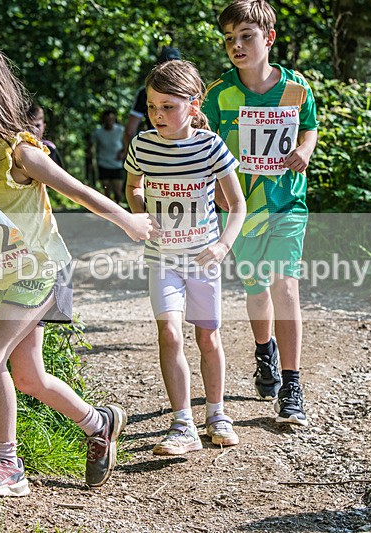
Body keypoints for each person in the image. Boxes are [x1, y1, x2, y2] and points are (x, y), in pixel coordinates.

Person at [0, 43, 155, 496]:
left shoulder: (20, 154)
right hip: (12, 275)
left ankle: (8, 469)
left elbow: (80, 192)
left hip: (43, 272)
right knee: (29, 376)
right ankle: (100, 423)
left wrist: (129, 220)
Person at [202, 0, 319, 426]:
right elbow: (202, 141)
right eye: (229, 39)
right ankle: (263, 351)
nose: (237, 45)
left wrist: (305, 149)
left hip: (287, 200)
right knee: (256, 288)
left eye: (246, 37)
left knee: (285, 285)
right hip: (240, 209)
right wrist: (213, 185)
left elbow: (309, 126)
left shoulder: (294, 86)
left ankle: (292, 384)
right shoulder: (218, 94)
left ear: (268, 38)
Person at [124, 59, 247, 455]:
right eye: (152, 106)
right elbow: (133, 186)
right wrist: (141, 212)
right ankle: (182, 425)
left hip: (203, 260)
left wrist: (223, 244)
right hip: (162, 258)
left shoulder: (211, 146)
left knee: (208, 337)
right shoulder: (142, 145)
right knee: (170, 333)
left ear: (193, 106)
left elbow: (238, 205)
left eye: (168, 107)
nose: (158, 115)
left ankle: (216, 413)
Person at [120, 46, 182, 159]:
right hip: (188, 150)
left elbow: (130, 129)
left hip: (154, 149)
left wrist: (128, 153)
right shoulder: (189, 91)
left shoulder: (145, 92)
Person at [87, 108, 125, 203]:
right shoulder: (98, 132)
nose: (109, 122)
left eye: (111, 119)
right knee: (106, 191)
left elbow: (127, 144)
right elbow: (91, 146)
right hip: (103, 163)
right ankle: (109, 213)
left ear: (114, 119)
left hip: (117, 164)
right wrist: (91, 160)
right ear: (103, 120)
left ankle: (119, 208)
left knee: (117, 191)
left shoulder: (120, 130)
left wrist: (124, 153)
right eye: (107, 119)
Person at [28, 103, 65, 169]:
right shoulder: (19, 148)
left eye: (37, 126)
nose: (34, 130)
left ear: (44, 126)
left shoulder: (50, 148)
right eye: (29, 126)